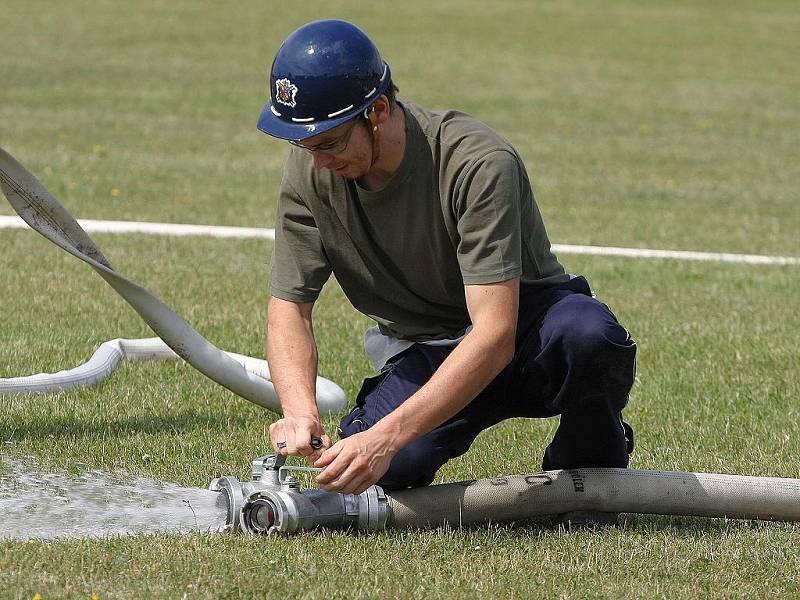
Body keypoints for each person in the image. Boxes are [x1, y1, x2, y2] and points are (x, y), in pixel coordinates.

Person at [259, 20, 636, 521]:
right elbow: (290, 309)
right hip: (429, 348)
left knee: (589, 336)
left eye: (329, 142)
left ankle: (591, 472)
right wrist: (301, 411)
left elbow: (495, 334)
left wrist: (386, 436)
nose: (317, 160)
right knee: (386, 468)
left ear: (378, 111)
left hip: (525, 330)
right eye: (304, 145)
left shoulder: (477, 163)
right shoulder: (310, 172)